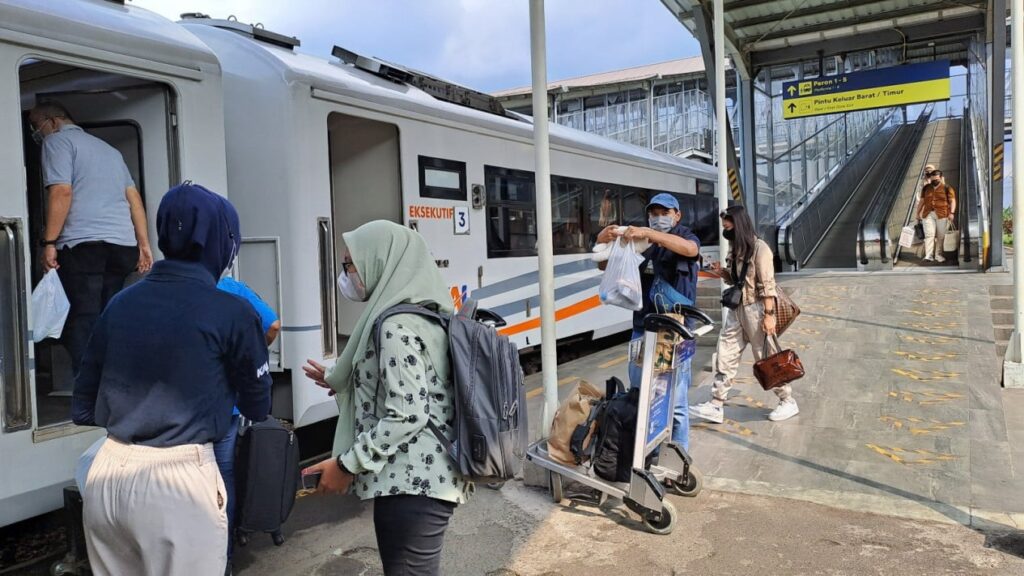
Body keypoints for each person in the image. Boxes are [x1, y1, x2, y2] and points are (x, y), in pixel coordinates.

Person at [72, 182, 272, 576]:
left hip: (106, 475)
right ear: (222, 241)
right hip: (178, 482)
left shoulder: (120, 304)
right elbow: (257, 405)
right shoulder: (231, 311)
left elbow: (82, 406)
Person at [302, 220, 470, 576]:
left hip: (412, 484)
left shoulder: (396, 326)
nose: (347, 274)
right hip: (425, 481)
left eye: (351, 264)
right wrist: (348, 383)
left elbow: (408, 414)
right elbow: (415, 386)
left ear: (383, 261)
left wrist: (347, 464)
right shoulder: (429, 314)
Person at [29, 100, 153, 375]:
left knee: (81, 318)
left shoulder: (57, 142)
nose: (38, 134)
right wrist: (143, 245)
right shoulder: (108, 150)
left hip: (84, 245)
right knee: (108, 315)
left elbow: (61, 191)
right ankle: (115, 381)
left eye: (37, 127)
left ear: (53, 122)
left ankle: (89, 389)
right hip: (122, 246)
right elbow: (133, 199)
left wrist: (49, 243)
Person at [596, 193, 701, 450]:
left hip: (675, 332)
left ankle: (679, 457)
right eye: (653, 214)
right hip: (643, 329)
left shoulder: (685, 236)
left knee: (675, 402)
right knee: (641, 395)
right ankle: (646, 454)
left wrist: (650, 234)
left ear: (677, 215)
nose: (658, 218)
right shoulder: (642, 243)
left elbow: (691, 250)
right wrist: (602, 240)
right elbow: (604, 266)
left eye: (664, 213)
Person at [690, 205, 799, 423]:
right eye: (724, 226)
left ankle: (787, 400)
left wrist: (769, 315)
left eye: (728, 225)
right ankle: (716, 403)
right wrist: (722, 272)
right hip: (737, 309)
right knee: (725, 353)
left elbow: (768, 284)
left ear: (739, 224)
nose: (725, 229)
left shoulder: (761, 249)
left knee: (766, 356)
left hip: (757, 309)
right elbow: (736, 280)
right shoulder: (736, 248)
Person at [214, 275, 281, 575]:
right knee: (223, 474)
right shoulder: (230, 287)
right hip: (224, 405)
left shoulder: (160, 286)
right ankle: (223, 557)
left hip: (178, 406)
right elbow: (273, 325)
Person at [917, 168, 957, 263]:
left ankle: (938, 255)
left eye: (936, 179)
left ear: (941, 178)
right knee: (929, 235)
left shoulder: (947, 188)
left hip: (942, 214)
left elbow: (953, 201)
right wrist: (917, 213)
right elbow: (922, 201)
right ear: (930, 178)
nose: (934, 181)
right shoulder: (926, 188)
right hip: (928, 214)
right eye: (932, 179)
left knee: (940, 236)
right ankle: (929, 255)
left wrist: (952, 212)